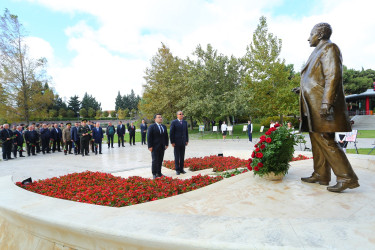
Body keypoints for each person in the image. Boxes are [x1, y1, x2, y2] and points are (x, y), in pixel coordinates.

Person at [296, 22, 359, 192]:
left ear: (321, 34)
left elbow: (333, 76)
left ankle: (347, 177)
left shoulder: (330, 48)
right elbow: (316, 79)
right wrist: (302, 88)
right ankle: (321, 174)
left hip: (322, 104)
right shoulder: (317, 51)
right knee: (316, 139)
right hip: (313, 104)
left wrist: (326, 102)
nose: (308, 38)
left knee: (325, 139)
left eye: (311, 34)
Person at [147, 114, 169, 179]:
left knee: (160, 160)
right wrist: (150, 146)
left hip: (162, 146)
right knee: (154, 160)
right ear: (155, 119)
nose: (160, 118)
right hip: (154, 147)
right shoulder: (152, 126)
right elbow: (149, 137)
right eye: (159, 117)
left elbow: (166, 136)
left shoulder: (164, 126)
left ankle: (159, 173)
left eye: (161, 117)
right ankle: (154, 174)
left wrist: (167, 144)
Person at [170, 111, 189, 175]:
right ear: (177, 115)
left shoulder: (185, 122)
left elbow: (186, 132)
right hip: (176, 142)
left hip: (183, 142)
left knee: (182, 156)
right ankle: (177, 169)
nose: (181, 115)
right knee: (177, 156)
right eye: (180, 114)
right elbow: (171, 132)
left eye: (182, 114)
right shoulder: (174, 122)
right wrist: (172, 141)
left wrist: (187, 140)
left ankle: (181, 169)